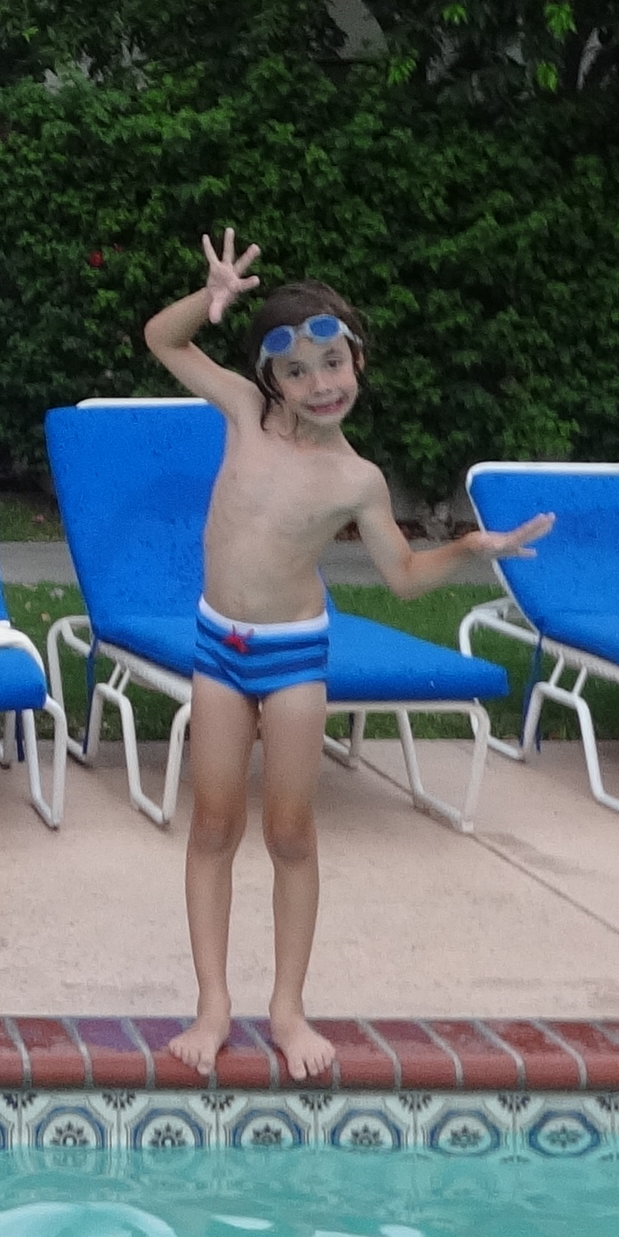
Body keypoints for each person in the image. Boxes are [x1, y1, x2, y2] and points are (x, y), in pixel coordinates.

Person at [141, 230, 548, 1078]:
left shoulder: (358, 480)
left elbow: (402, 577)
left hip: (292, 653)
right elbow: (163, 340)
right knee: (212, 826)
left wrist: (467, 549)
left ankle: (288, 1009)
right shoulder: (243, 414)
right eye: (297, 371)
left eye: (334, 364)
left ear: (358, 361)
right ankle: (213, 1005)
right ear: (269, 380)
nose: (321, 384)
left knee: (290, 833)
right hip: (219, 644)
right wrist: (209, 299)